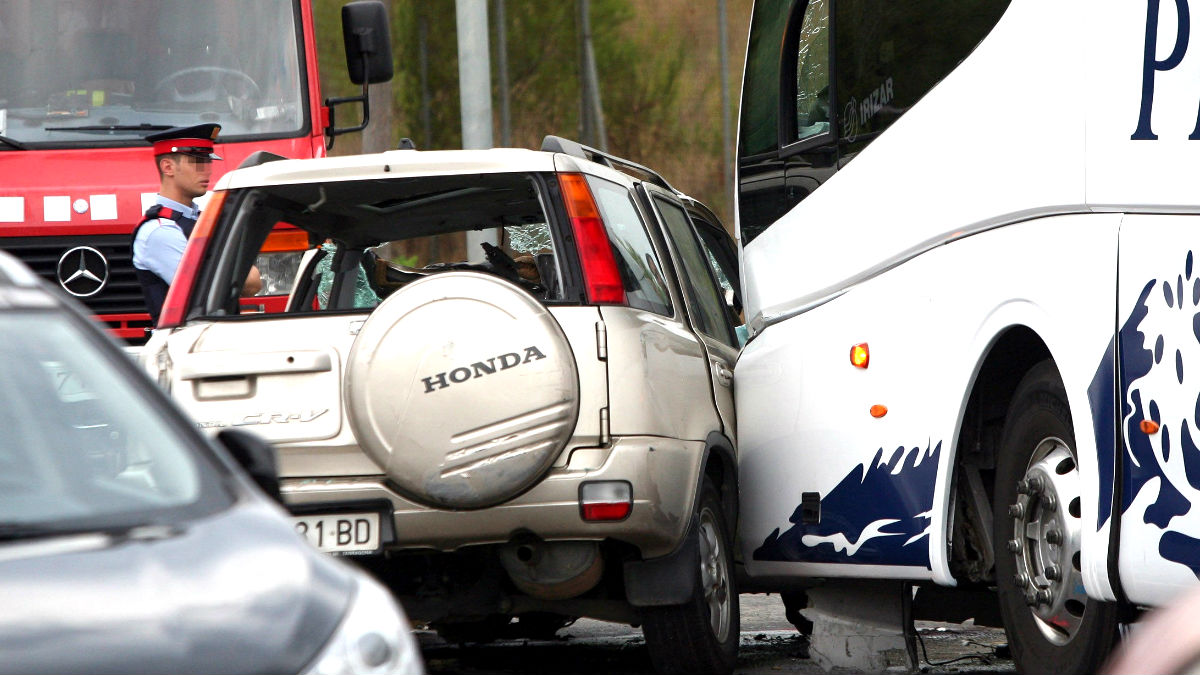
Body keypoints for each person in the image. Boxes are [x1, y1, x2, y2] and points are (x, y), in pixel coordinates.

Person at [132, 123, 261, 324]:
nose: (207, 171)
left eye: (208, 162)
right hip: (184, 345)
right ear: (168, 167)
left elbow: (253, 283)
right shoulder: (160, 232)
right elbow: (207, 294)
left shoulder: (201, 219)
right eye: (196, 162)